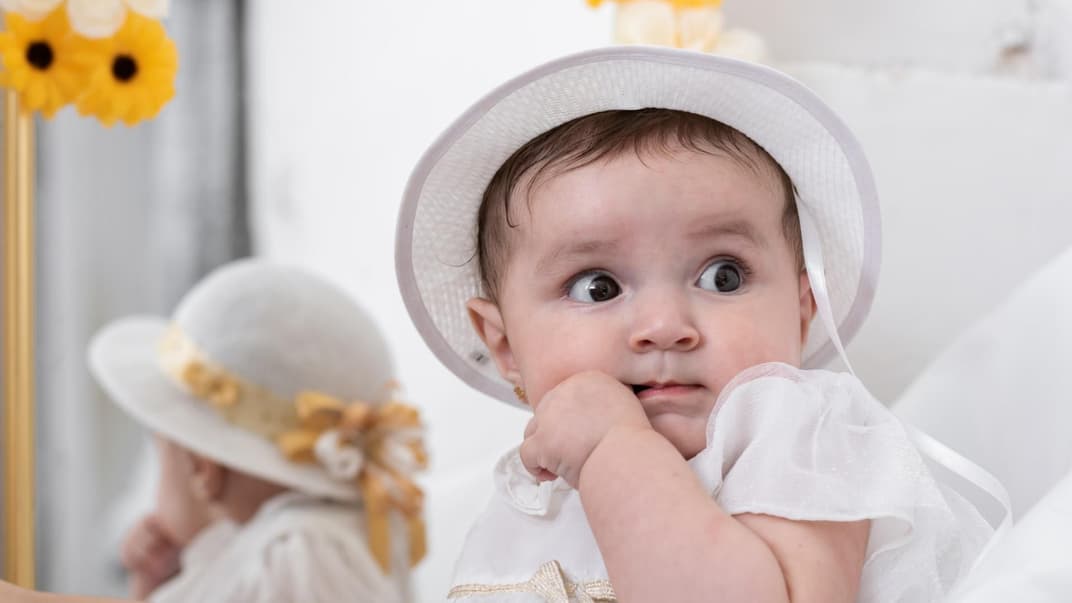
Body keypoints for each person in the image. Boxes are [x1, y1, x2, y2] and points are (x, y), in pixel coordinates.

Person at [394, 46, 1002, 601]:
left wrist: (612, 448)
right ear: (504, 345)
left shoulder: (799, 440)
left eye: (723, 277)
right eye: (597, 287)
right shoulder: (527, 496)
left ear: (801, 309)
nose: (664, 326)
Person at [3, 258, 426, 602]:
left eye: (161, 457)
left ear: (203, 469)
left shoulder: (299, 553)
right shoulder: (323, 539)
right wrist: (152, 585)